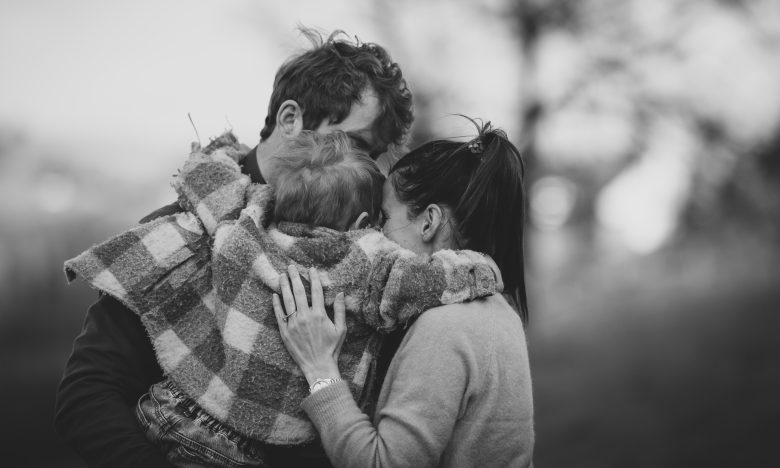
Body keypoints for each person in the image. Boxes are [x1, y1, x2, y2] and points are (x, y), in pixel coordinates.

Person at [54, 29, 414, 468]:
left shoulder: (368, 251)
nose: (368, 172)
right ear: (290, 119)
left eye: (373, 156)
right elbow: (88, 393)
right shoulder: (181, 230)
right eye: (354, 144)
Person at [64, 130, 504, 467]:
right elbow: (436, 280)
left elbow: (209, 183)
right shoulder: (364, 268)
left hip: (165, 409)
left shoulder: (243, 227)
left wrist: (222, 148)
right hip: (241, 451)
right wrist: (483, 268)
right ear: (365, 221)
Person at [274, 122, 535, 467]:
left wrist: (319, 368)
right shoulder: (493, 308)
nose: (371, 234)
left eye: (383, 218)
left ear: (429, 222)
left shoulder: (446, 326)